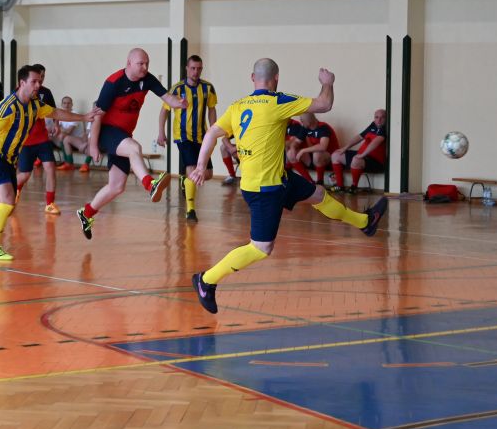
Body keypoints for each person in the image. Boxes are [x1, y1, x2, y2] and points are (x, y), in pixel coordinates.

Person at [188, 60, 388, 314]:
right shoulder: (278, 101)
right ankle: (206, 280)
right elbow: (324, 104)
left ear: (252, 78)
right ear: (276, 78)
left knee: (318, 194)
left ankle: (364, 222)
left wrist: (200, 165)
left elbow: (211, 134)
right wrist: (327, 83)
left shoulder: (238, 106)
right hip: (265, 190)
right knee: (261, 248)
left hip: (277, 179)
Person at [0, 64, 99, 261]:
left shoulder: (35, 104)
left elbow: (56, 113)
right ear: (22, 83)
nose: (38, 85)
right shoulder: (8, 107)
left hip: (10, 159)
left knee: (6, 206)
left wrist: (84, 117)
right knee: (7, 201)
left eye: (39, 81)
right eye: (34, 81)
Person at [77, 48, 189, 239]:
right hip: (106, 131)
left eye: (147, 63)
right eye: (140, 64)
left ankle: (86, 213)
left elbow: (167, 98)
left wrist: (179, 103)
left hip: (123, 135)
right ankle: (150, 184)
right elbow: (97, 115)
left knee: (116, 186)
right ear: (129, 63)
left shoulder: (148, 79)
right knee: (134, 147)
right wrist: (92, 145)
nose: (145, 67)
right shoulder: (113, 83)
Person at [157, 55, 218, 221]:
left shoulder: (208, 88)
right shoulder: (177, 89)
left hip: (202, 136)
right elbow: (164, 111)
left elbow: (212, 110)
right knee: (193, 170)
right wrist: (161, 132)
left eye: (199, 68)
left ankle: (185, 181)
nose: (195, 72)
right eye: (192, 68)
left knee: (208, 173)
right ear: (187, 68)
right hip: (183, 135)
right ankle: (190, 210)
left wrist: (214, 130)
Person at [14, 65, 61, 214]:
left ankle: (50, 203)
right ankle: (13, 190)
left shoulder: (46, 92)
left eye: (42, 78)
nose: (40, 82)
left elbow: (54, 111)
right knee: (25, 174)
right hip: (26, 141)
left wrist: (56, 124)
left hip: (42, 138)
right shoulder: (19, 93)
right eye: (36, 79)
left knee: (51, 168)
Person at [331, 108, 387, 193]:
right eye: (376, 117)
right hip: (362, 155)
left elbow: (376, 142)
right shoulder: (373, 125)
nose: (379, 120)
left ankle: (354, 187)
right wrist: (345, 148)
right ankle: (340, 186)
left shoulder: (385, 128)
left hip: (375, 161)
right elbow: (360, 137)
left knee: (356, 159)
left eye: (382, 117)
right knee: (336, 155)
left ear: (386, 119)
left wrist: (362, 155)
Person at [54, 95, 90, 171]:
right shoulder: (61, 114)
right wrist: (60, 129)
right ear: (62, 104)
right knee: (51, 136)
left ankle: (69, 163)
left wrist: (61, 129)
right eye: (64, 103)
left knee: (63, 137)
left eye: (68, 103)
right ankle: (66, 163)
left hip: (80, 139)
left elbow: (68, 131)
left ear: (72, 104)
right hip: (68, 139)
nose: (66, 105)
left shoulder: (75, 114)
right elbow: (57, 128)